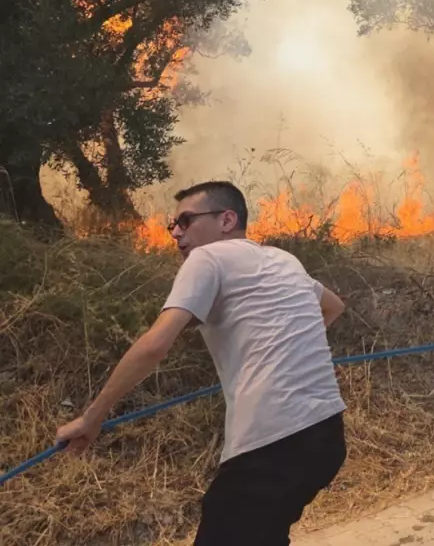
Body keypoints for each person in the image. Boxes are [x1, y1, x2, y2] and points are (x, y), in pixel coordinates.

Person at [56, 181, 348, 546]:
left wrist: (92, 418)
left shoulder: (208, 258)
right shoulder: (283, 259)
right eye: (173, 225)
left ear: (227, 219)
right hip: (326, 437)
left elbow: (154, 346)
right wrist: (291, 346)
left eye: (187, 220)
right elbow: (333, 306)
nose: (176, 232)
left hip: (272, 443)